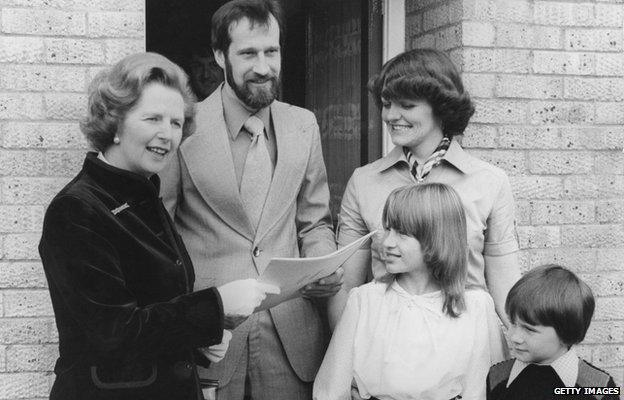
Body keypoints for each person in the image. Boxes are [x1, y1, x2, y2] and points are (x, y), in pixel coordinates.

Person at [38, 52, 279, 400]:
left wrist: (200, 342)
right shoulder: (77, 209)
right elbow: (114, 334)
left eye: (177, 123)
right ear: (115, 123)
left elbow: (157, 308)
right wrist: (216, 306)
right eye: (152, 119)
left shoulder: (144, 193)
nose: (167, 134)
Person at [159, 1, 341, 398]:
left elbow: (314, 222)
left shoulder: (303, 125)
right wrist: (184, 318)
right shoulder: (181, 127)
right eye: (248, 53)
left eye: (271, 52)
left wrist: (323, 265)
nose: (263, 66)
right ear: (220, 55)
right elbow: (161, 234)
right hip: (210, 338)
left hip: (292, 339)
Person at [329, 48, 521, 330]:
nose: (392, 115)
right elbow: (345, 287)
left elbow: (506, 285)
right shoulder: (364, 181)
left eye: (406, 106)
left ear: (440, 107)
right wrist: (348, 355)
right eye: (386, 104)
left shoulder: (490, 181)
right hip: (387, 342)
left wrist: (529, 351)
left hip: (467, 341)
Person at [314, 183, 506, 400]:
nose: (387, 242)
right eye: (387, 229)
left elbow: (485, 389)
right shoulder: (364, 301)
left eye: (402, 233)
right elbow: (331, 390)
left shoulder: (476, 308)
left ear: (437, 238)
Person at [487, 265, 620, 400]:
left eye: (529, 329)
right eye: (513, 323)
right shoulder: (497, 377)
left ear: (567, 334)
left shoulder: (600, 388)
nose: (514, 337)